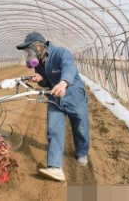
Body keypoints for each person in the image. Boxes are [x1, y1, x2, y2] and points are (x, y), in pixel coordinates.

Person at [16, 32, 90, 181]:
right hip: (55, 97)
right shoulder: (40, 63)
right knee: (53, 130)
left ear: (38, 46)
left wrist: (63, 83)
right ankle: (55, 167)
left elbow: (69, 69)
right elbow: (46, 83)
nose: (28, 55)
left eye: (29, 51)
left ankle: (82, 152)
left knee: (80, 128)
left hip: (74, 95)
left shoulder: (61, 53)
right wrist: (41, 79)